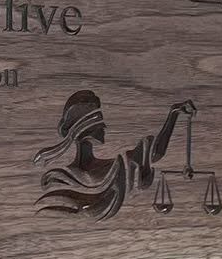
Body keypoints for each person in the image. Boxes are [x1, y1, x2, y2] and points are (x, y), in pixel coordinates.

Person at [33, 88, 197, 219]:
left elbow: (155, 153)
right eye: (100, 122)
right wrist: (173, 113)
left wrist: (174, 113)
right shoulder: (72, 176)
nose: (105, 128)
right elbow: (154, 154)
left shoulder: (112, 166)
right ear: (86, 128)